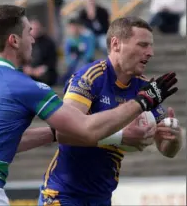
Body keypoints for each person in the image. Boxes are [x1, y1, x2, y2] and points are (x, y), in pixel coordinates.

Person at [0, 5, 177, 206]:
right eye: (29, 32)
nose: (33, 39)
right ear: (14, 40)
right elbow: (82, 129)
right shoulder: (24, 86)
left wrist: (173, 136)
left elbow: (1, 142)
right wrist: (142, 103)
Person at [37, 17, 182, 206]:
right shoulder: (91, 77)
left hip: (102, 199)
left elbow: (167, 149)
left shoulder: (145, 89)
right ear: (116, 44)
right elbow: (64, 131)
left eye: (151, 46)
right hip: (62, 195)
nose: (150, 53)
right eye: (142, 45)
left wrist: (174, 137)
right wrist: (121, 136)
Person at [22, 18, 58, 86]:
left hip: (44, 71)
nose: (35, 30)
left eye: (37, 28)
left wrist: (42, 69)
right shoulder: (24, 42)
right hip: (27, 70)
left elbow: (52, 60)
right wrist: (28, 69)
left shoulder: (48, 42)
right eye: (33, 29)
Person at [61, 18, 95, 84]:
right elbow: (67, 58)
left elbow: (89, 54)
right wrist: (74, 59)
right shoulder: (68, 42)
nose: (74, 29)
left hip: (85, 64)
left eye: (75, 27)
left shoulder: (87, 39)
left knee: (82, 65)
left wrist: (82, 59)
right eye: (71, 28)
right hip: (73, 66)